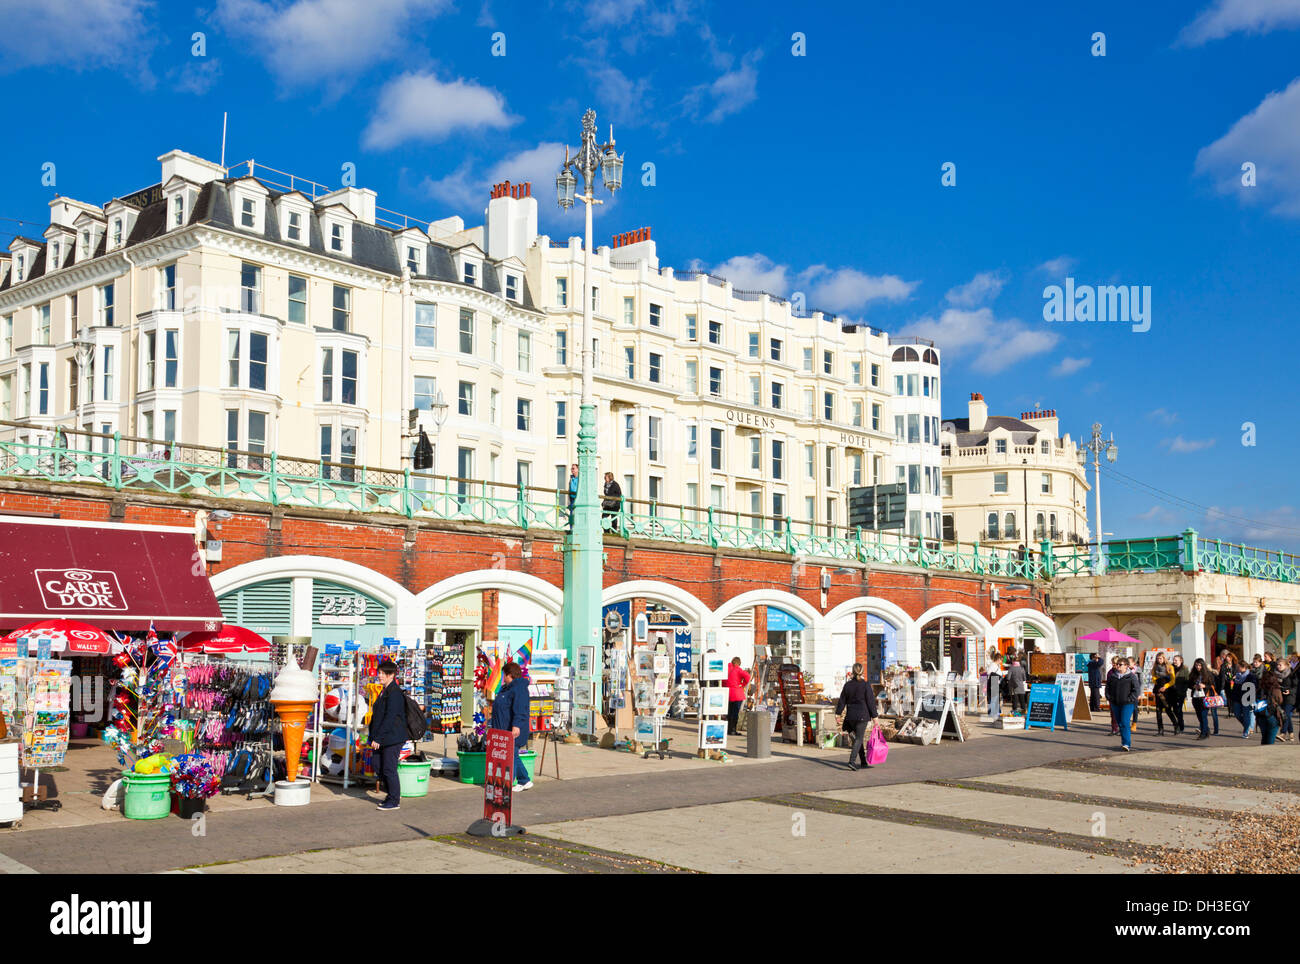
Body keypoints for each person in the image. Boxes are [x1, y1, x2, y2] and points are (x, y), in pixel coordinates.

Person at [368, 658, 408, 812]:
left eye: (383, 673)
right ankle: (391, 794)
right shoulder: (385, 691)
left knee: (389, 769)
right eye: (379, 673)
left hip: (392, 737)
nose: (380, 676)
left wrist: (379, 737)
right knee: (378, 765)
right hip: (381, 737)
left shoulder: (395, 693)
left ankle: (394, 799)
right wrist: (373, 736)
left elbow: (390, 717)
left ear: (391, 675)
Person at [489, 661, 533, 790]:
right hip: (503, 729)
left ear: (510, 675)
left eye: (504, 675)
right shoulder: (506, 689)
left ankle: (510, 783)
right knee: (513, 755)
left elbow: (521, 709)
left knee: (511, 755)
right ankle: (524, 780)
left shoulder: (519, 688)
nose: (503, 678)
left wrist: (517, 725)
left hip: (513, 730)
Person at [835, 663, 879, 770]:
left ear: (853, 671)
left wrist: (838, 714)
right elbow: (871, 702)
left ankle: (863, 761)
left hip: (850, 717)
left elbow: (842, 700)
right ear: (862, 671)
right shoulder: (865, 685)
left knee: (857, 740)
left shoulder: (848, 685)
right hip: (862, 716)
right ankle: (852, 761)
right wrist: (875, 717)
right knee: (859, 739)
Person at [1114, 657, 1140, 751]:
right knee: (1120, 723)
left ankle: (1126, 744)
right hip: (1116, 703)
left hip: (1127, 703)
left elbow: (1136, 690)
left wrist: (1130, 699)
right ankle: (1123, 742)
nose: (1118, 666)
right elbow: (1108, 688)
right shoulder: (1113, 676)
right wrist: (1110, 698)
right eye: (1117, 664)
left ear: (1126, 666)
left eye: (1120, 664)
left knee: (1125, 722)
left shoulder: (1131, 676)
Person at [1187, 658, 1216, 740]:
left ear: (1203, 665)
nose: (1198, 667)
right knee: (1199, 716)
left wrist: (1204, 686)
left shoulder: (1208, 674)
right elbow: (1189, 684)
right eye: (1196, 665)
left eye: (1199, 665)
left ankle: (1203, 734)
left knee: (1203, 716)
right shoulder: (1193, 674)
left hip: (1205, 697)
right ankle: (1206, 730)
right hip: (1196, 697)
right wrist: (1193, 686)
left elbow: (1213, 685)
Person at [1257, 667, 1283, 745]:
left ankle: (1262, 755)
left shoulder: (1260, 689)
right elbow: (1280, 700)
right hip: (1273, 715)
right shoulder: (1276, 689)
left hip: (1261, 715)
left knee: (1264, 737)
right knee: (1270, 741)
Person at [725, 657, 751, 735]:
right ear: (738, 663)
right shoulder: (738, 670)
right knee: (735, 713)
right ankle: (733, 730)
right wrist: (742, 685)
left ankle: (728, 729)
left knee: (729, 712)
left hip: (728, 693)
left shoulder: (727, 669)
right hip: (737, 693)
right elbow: (748, 677)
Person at [1151, 651, 1174, 736]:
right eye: (1157, 659)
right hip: (1158, 689)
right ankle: (1160, 730)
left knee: (1167, 709)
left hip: (1167, 690)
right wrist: (1155, 681)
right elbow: (1153, 677)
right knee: (1158, 710)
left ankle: (1176, 725)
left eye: (1160, 658)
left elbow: (1173, 680)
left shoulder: (1169, 667)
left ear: (1164, 658)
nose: (1159, 660)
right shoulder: (1155, 667)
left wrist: (1165, 686)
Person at [1168, 654, 1189, 735]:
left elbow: (1186, 681)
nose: (1174, 661)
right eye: (1174, 660)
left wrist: (1184, 691)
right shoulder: (1170, 667)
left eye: (1176, 660)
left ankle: (1180, 725)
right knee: (1174, 709)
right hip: (1172, 691)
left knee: (1179, 709)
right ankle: (1179, 722)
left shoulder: (1185, 669)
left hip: (1181, 692)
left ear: (1181, 661)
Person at [1281, 658, 1297, 743]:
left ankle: (1283, 733)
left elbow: (1296, 687)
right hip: (1282, 698)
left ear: (1286, 666)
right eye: (1278, 665)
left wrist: (1289, 691)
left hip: (1291, 698)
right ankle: (1291, 733)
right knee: (1288, 716)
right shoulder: (1278, 674)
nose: (1278, 666)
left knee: (1286, 715)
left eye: (1280, 665)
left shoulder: (1292, 674)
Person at [986, 647, 1004, 719]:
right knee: (993, 698)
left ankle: (996, 712)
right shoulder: (993, 665)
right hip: (993, 682)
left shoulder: (996, 665)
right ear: (998, 659)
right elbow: (989, 673)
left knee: (995, 698)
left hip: (995, 682)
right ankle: (993, 712)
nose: (1001, 661)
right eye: (1001, 660)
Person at [1105, 657, 1121, 735]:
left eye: (1116, 663)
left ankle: (1121, 728)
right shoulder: (1110, 672)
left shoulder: (1123, 672)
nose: (1114, 665)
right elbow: (1108, 685)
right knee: (1113, 713)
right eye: (1113, 663)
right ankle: (1114, 728)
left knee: (1121, 713)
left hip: (1122, 696)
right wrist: (1107, 695)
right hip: (1112, 695)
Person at [566, 464, 579, 529]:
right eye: (571, 468)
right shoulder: (571, 478)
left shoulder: (580, 478)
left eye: (573, 468)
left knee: (577, 514)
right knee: (571, 514)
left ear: (578, 469)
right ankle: (571, 529)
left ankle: (576, 529)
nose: (572, 470)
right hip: (572, 498)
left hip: (577, 498)